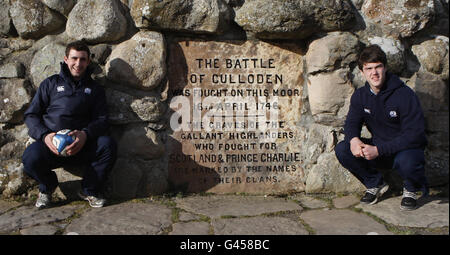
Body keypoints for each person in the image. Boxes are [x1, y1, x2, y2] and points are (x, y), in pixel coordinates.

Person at [22, 41, 117, 208]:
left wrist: (85, 134)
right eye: (74, 58)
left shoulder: (95, 89)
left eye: (82, 59)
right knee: (30, 158)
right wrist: (45, 136)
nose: (78, 64)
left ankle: (89, 190)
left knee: (107, 146)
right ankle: (47, 187)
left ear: (88, 62)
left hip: (81, 145)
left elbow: (102, 120)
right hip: (52, 147)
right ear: (66, 59)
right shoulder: (50, 84)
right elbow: (31, 115)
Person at [335, 45, 428, 211]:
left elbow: (414, 135)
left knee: (409, 160)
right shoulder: (361, 96)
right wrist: (354, 139)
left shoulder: (405, 95)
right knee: (343, 149)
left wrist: (378, 149)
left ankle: (411, 188)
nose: (374, 73)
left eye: (378, 67)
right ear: (362, 72)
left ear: (385, 68)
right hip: (379, 149)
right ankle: (375, 183)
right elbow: (351, 124)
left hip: (405, 150)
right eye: (369, 68)